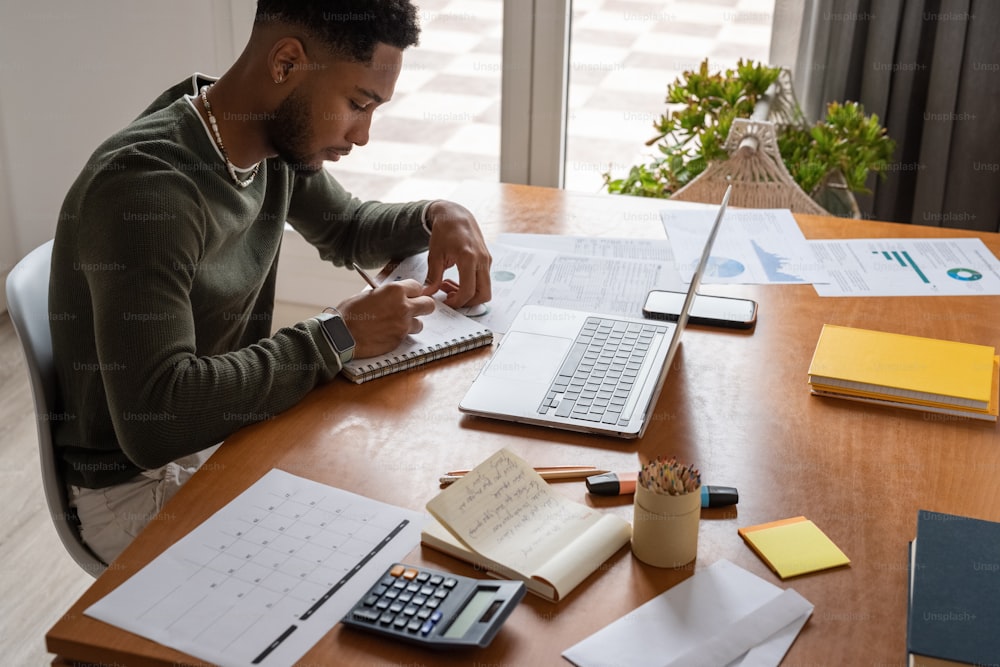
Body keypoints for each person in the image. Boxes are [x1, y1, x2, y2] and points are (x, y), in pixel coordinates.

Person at [48, 0, 492, 565]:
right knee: (379, 563)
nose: (364, 135)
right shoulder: (147, 191)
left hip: (217, 434)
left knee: (402, 507)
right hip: (132, 489)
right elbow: (156, 420)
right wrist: (336, 335)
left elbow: (350, 228)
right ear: (286, 63)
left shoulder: (264, 141)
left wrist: (435, 214)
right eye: (357, 104)